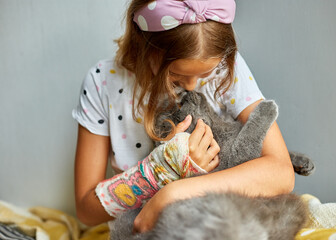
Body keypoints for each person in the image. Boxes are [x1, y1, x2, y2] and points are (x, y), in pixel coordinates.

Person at [72, 0, 295, 233]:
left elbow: (281, 172)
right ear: (145, 44)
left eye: (205, 73)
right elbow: (85, 210)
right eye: (176, 74)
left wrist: (174, 192)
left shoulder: (226, 68)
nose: (191, 86)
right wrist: (160, 170)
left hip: (215, 222)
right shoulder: (103, 81)